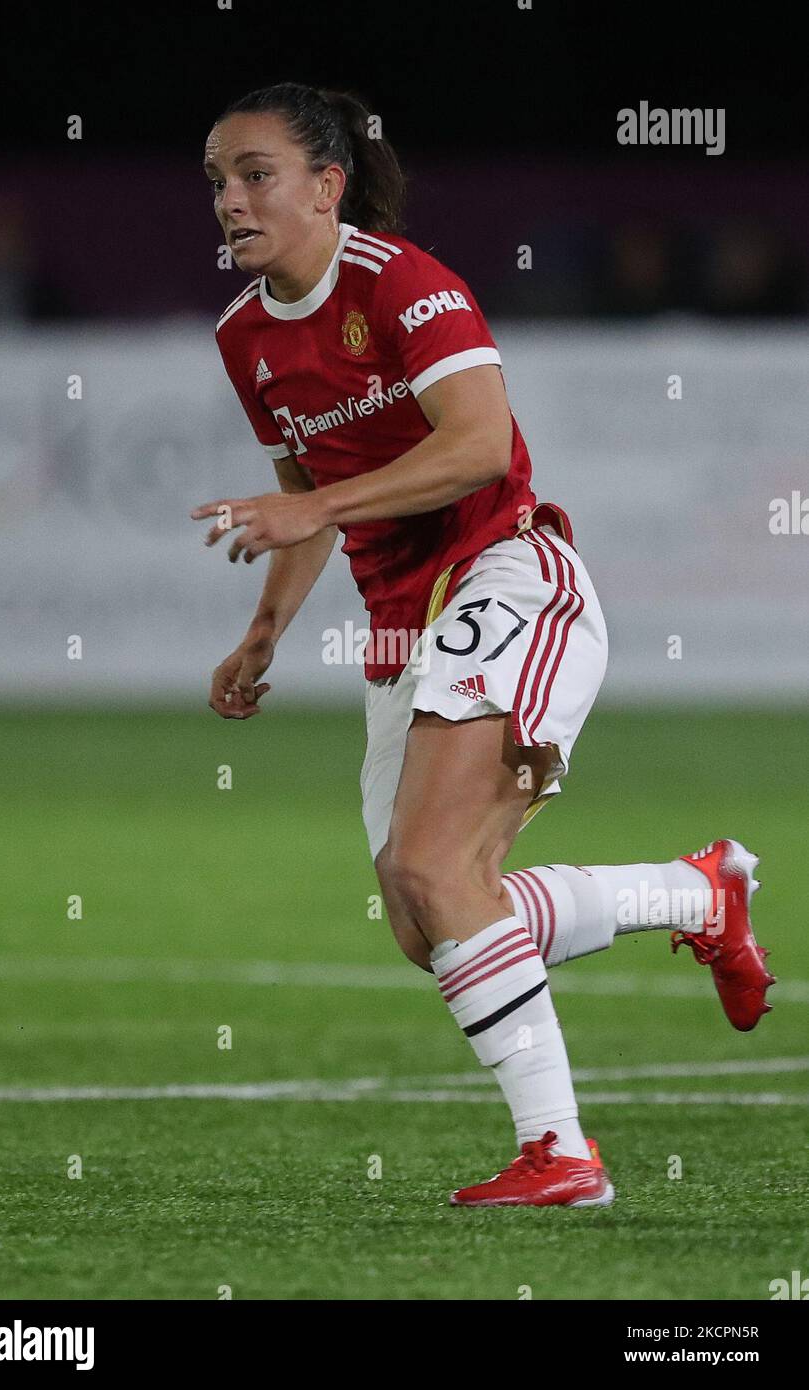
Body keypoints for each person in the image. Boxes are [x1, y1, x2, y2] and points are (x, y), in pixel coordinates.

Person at [192, 82, 774, 1209]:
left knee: (429, 869)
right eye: (216, 179)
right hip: (403, 626)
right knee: (431, 920)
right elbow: (305, 494)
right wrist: (261, 632)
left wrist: (311, 510)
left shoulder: (402, 284)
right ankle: (694, 895)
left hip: (507, 573)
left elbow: (474, 447)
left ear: (327, 184)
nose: (229, 199)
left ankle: (561, 1154)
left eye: (254, 173)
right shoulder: (244, 337)